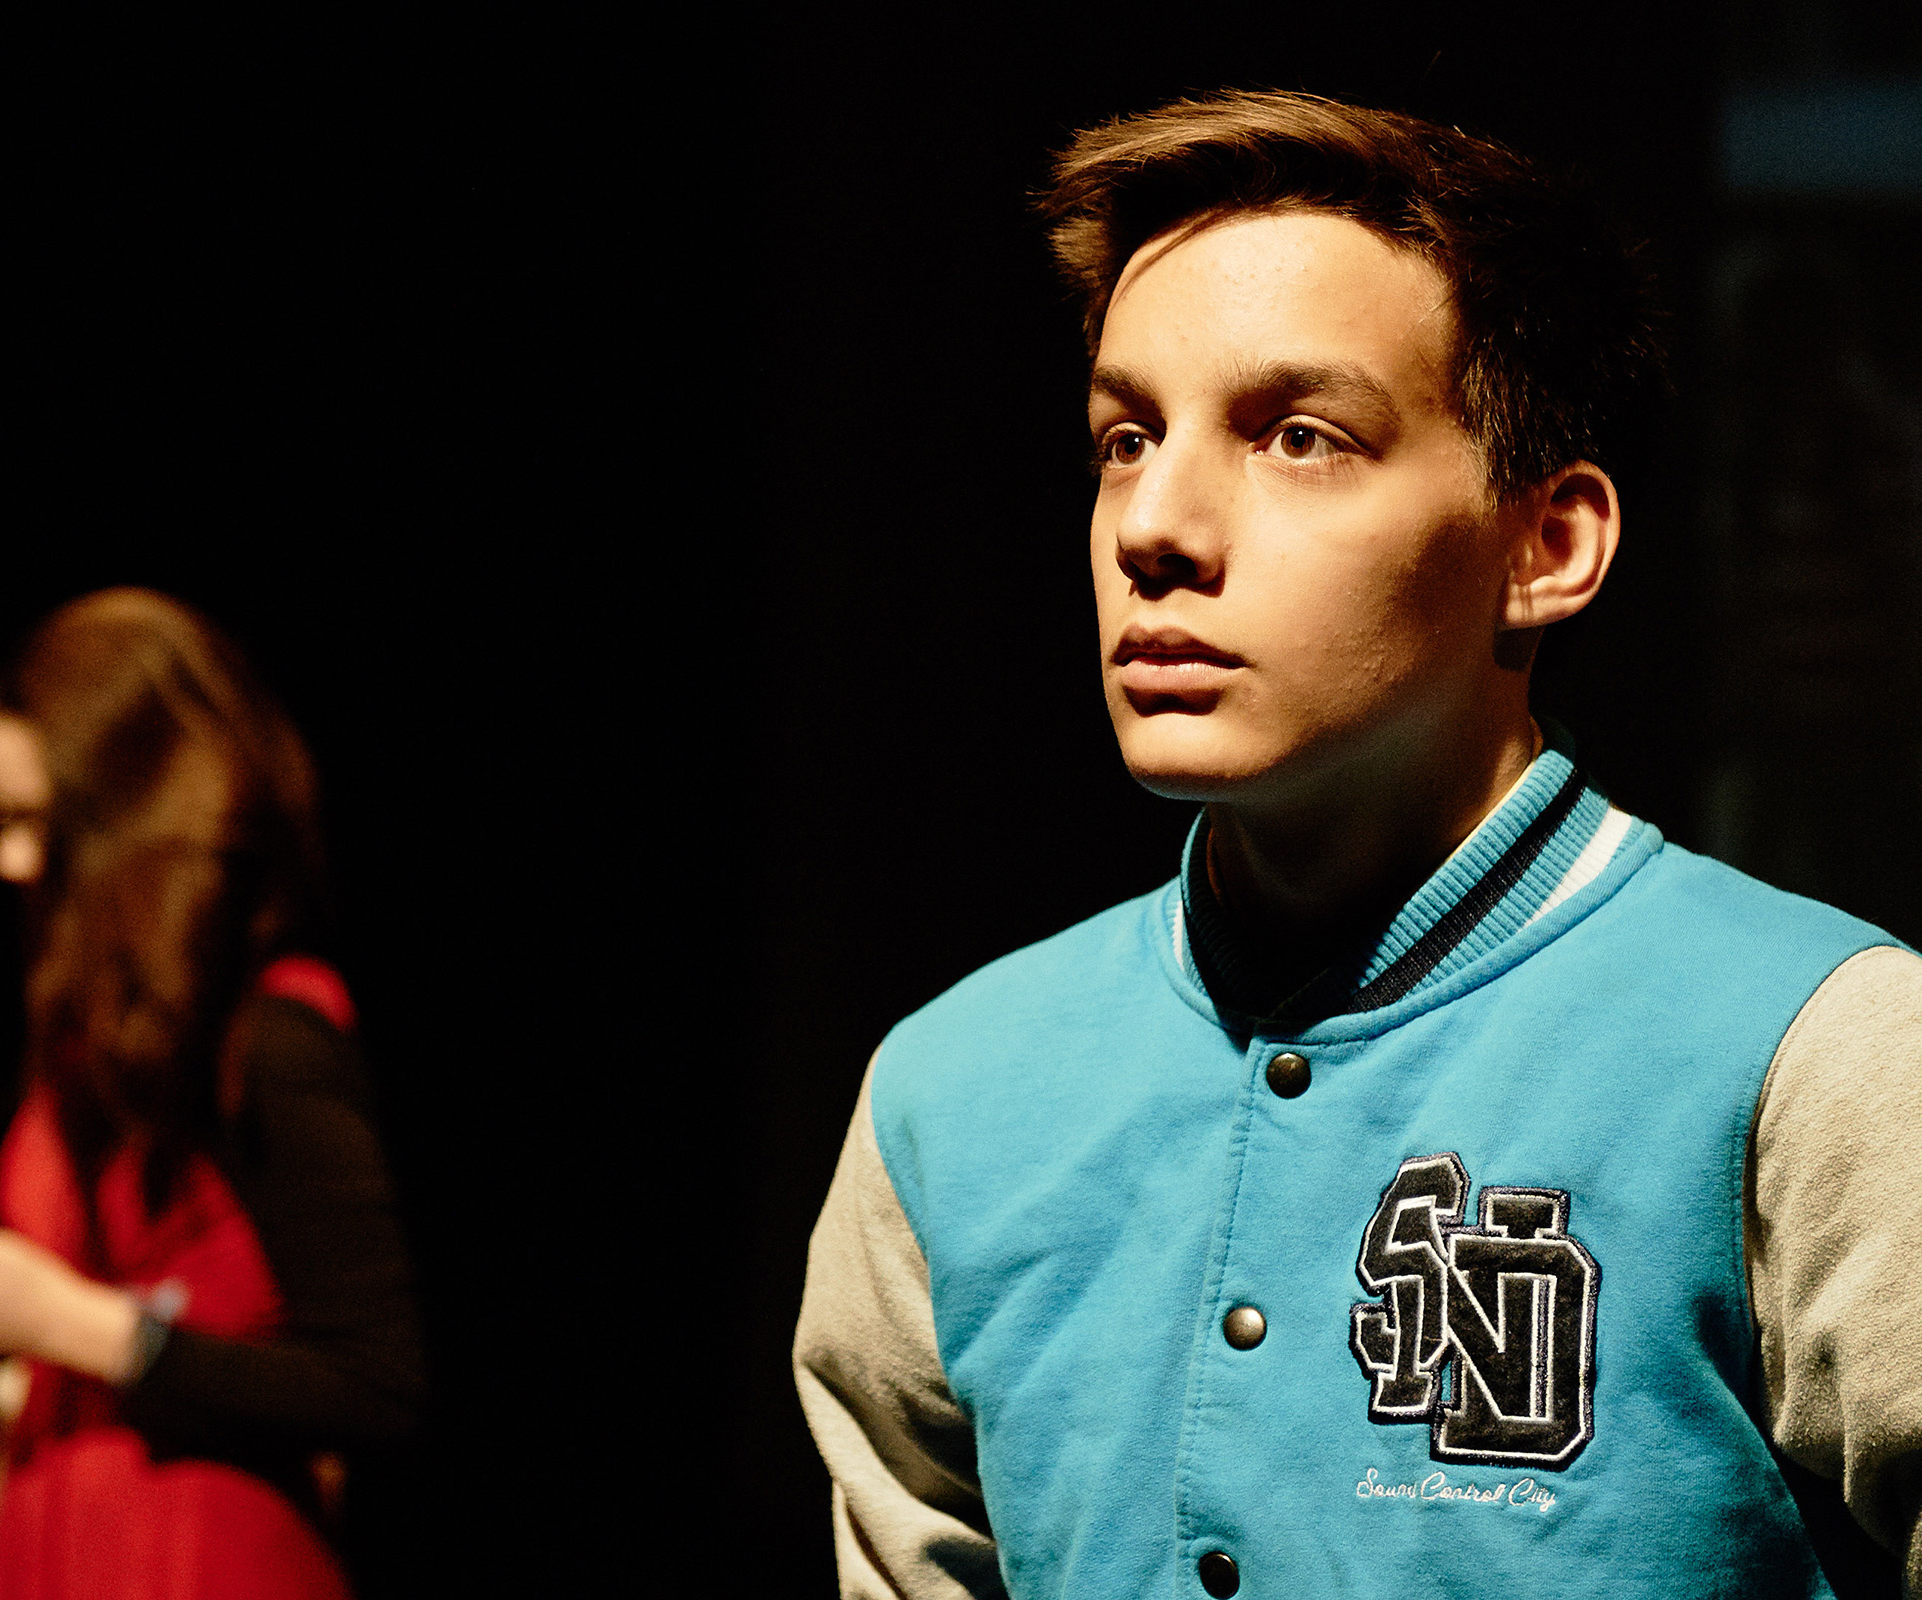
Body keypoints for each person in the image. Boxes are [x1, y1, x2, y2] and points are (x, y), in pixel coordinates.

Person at [792, 91, 1920, 1599]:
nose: (1153, 527)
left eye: (1300, 437)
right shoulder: (952, 1096)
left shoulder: (1819, 1058)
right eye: (1125, 438)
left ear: (1548, 544)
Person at [0, 587, 424, 1600]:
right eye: (0, 819)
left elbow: (380, 1385)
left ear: (131, 821)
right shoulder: (85, 1057)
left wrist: (76, 1323)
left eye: (39, 823)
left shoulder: (270, 1038)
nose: (11, 861)